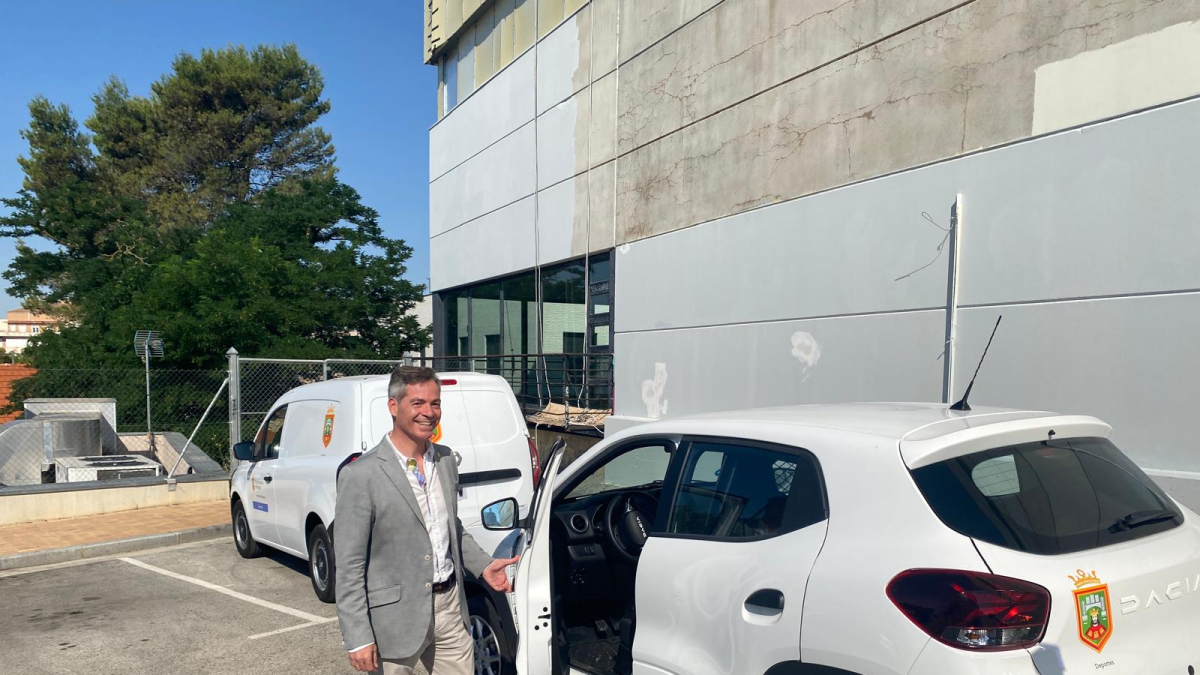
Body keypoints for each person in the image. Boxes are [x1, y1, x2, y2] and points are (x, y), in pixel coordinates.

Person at [335, 365, 518, 674]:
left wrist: (484, 565)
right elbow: (350, 564)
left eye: (435, 403)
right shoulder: (361, 475)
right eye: (417, 403)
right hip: (394, 618)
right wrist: (357, 636)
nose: (429, 412)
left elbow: (450, 528)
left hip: (449, 606)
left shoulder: (445, 460)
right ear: (393, 407)